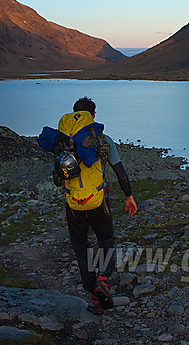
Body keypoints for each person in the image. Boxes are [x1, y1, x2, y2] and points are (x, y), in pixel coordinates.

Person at [37, 96, 138, 315]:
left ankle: (95, 298)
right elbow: (120, 171)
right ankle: (103, 279)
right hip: (98, 201)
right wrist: (129, 196)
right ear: (92, 116)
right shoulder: (102, 139)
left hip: (73, 204)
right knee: (106, 239)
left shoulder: (61, 141)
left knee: (81, 246)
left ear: (75, 115)